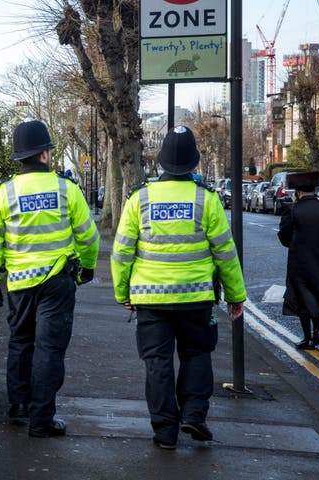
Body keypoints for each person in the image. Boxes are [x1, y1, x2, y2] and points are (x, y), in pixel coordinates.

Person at [110, 125, 246, 450]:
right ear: (194, 162)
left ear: (160, 162)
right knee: (197, 355)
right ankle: (194, 416)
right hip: (196, 298)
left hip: (150, 300)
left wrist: (122, 293)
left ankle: (165, 432)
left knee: (157, 364)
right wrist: (235, 295)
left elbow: (121, 252)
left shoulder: (139, 199)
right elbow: (226, 254)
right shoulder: (207, 200)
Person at [0, 119, 100, 438]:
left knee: (20, 341)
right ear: (45, 154)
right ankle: (42, 418)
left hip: (19, 282)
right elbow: (89, 237)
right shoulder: (66, 188)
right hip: (58, 281)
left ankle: (18, 404)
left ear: (19, 157)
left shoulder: (3, 193)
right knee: (49, 348)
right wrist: (87, 268)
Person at [277, 171, 319, 350]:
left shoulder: (293, 210)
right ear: (315, 191)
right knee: (316, 294)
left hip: (299, 262)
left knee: (301, 297)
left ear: (298, 192)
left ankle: (308, 336)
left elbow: (284, 236)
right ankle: (317, 330)